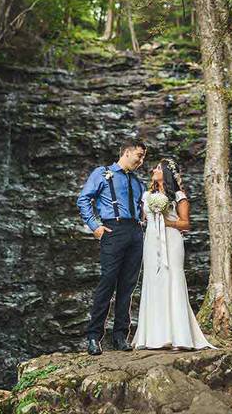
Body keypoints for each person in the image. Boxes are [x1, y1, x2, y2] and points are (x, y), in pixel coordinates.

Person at [132, 158, 215, 350]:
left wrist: (166, 221)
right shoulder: (146, 195)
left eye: (158, 168)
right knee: (153, 280)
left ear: (167, 173)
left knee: (173, 278)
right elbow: (143, 219)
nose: (154, 169)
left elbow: (185, 224)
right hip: (151, 241)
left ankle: (179, 337)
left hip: (171, 239)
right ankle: (151, 336)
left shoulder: (178, 195)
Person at [76, 138, 147, 355]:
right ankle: (93, 337)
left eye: (144, 157)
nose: (142, 161)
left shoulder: (138, 182)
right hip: (112, 230)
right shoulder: (102, 173)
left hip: (135, 233)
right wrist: (95, 226)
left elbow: (142, 209)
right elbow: (83, 199)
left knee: (128, 285)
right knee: (107, 282)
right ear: (126, 152)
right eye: (139, 155)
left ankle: (120, 337)